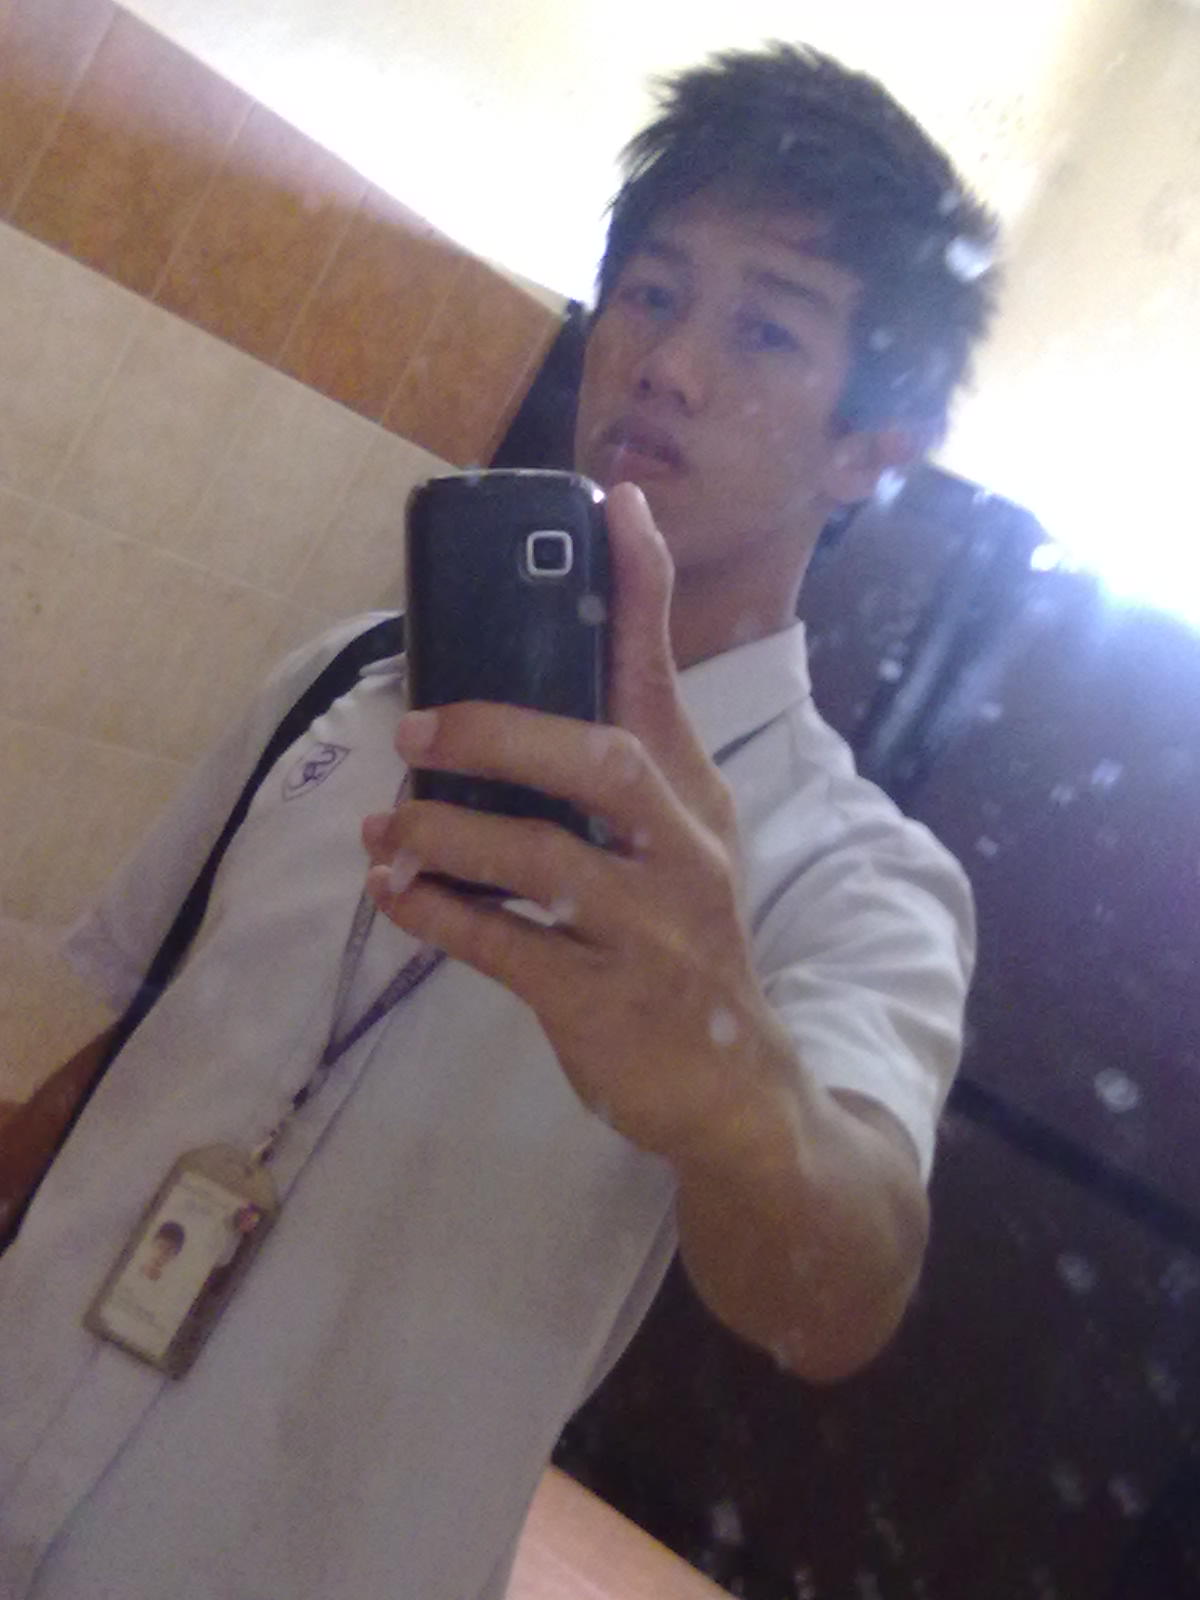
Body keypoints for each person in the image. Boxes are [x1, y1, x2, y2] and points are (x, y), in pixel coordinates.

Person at [0, 41, 997, 1600]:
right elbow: (129, 1043)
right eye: (651, 292)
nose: (667, 364)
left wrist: (728, 1082)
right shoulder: (342, 677)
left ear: (878, 444)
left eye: (765, 328)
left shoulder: (849, 875)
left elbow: (843, 1288)